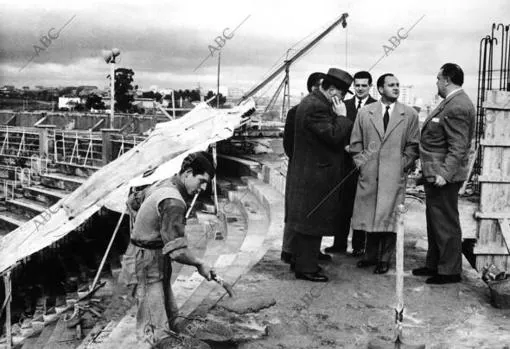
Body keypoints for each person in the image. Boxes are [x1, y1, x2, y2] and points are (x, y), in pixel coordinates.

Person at [119, 151, 216, 345]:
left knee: (170, 312)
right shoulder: (173, 201)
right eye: (201, 181)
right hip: (146, 260)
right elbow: (177, 251)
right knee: (155, 327)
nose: (203, 188)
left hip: (152, 255)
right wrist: (199, 264)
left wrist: (145, 226)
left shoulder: (163, 184)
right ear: (187, 173)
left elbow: (133, 202)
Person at [286, 67, 354, 282]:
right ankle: (306, 268)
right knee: (311, 223)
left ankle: (301, 261)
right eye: (342, 94)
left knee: (307, 222)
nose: (342, 98)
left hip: (309, 174)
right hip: (315, 176)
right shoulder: (317, 107)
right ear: (332, 89)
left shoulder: (313, 102)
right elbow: (333, 136)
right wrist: (342, 117)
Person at [350, 73, 419, 274]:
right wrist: (362, 166)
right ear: (380, 89)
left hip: (393, 176)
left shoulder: (410, 115)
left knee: (390, 218)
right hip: (370, 174)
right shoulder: (365, 113)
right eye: (391, 85)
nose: (396, 88)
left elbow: (413, 146)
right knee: (371, 215)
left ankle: (384, 259)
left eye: (397, 85)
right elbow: (356, 144)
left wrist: (402, 165)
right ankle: (370, 256)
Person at [413, 63, 475, 284]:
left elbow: (458, 146)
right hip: (435, 172)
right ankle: (435, 264)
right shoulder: (451, 102)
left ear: (446, 79)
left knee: (445, 222)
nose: (436, 83)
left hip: (443, 176)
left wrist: (445, 174)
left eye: (438, 78)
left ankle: (449, 271)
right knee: (435, 220)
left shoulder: (457, 106)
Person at [325, 71, 377, 256]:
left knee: (362, 205)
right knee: (342, 205)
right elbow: (335, 128)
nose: (360, 88)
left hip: (365, 164)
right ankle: (339, 244)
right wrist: (344, 146)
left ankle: (358, 246)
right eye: (357, 85)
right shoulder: (343, 105)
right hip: (344, 163)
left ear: (370, 86)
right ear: (353, 86)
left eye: (364, 85)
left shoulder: (376, 107)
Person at [281, 72, 330, 265]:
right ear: (312, 88)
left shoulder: (323, 109)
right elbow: (288, 143)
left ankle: (310, 251)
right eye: (319, 86)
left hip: (309, 169)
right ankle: (288, 250)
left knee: (308, 214)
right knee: (296, 212)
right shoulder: (297, 111)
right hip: (300, 169)